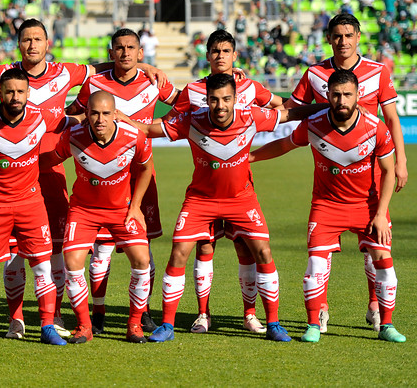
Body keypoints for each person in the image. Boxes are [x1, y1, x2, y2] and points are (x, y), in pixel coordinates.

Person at [0, 18, 166, 339]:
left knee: (54, 252)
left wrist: (143, 63)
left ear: (47, 43)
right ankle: (15, 318)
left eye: (38, 39)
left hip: (52, 176)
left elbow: (103, 66)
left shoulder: (65, 72)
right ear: (19, 44)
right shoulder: (0, 74)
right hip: (7, 181)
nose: (32, 45)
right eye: (26, 40)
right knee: (13, 255)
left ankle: (53, 315)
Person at [123, 73, 327, 343]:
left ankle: (274, 323)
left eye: (226, 99)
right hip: (200, 200)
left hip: (241, 199)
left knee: (263, 252)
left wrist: (326, 107)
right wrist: (124, 120)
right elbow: (150, 130)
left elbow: (290, 115)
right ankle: (168, 325)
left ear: (235, 99)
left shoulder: (252, 116)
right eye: (215, 100)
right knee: (179, 253)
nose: (220, 105)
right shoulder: (192, 120)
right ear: (207, 100)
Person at [251, 70, 405, 343]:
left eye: (347, 94)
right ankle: (313, 324)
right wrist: (249, 157)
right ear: (327, 96)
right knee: (315, 268)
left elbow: (389, 170)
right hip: (326, 206)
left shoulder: (375, 127)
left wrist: (381, 214)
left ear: (358, 96)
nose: (341, 100)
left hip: (367, 206)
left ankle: (387, 325)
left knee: (384, 264)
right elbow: (284, 145)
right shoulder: (314, 124)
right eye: (335, 94)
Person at [285, 13, 408, 334]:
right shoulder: (314, 74)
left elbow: (392, 119)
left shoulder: (378, 71)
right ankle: (320, 308)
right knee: (321, 254)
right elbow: (292, 110)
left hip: (371, 176)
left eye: (349, 35)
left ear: (357, 38)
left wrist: (402, 161)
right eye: (337, 36)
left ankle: (375, 305)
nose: (343, 42)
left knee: (375, 247)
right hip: (331, 177)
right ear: (329, 38)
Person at [167, 29, 283, 334]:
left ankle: (251, 315)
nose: (220, 56)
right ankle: (203, 314)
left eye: (226, 51)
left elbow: (281, 106)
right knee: (205, 249)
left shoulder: (250, 87)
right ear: (207, 56)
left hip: (240, 186)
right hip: (206, 184)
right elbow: (170, 122)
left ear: (234, 55)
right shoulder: (191, 91)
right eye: (215, 51)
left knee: (246, 249)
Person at [67, 28, 178, 335]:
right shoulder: (94, 83)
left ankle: (142, 315)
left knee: (143, 247)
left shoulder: (155, 81)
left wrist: (144, 126)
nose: (126, 53)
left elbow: (184, 108)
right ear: (111, 52)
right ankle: (98, 312)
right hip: (98, 177)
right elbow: (75, 114)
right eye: (120, 48)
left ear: (140, 53)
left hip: (141, 175)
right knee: (100, 249)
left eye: (132, 48)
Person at [0, 68, 80, 348]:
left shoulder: (42, 116)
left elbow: (72, 121)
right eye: (9, 91)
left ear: (28, 93)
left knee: (42, 266)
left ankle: (47, 325)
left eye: (20, 92)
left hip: (30, 203)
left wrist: (114, 118)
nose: (15, 97)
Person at [41, 91, 154, 343]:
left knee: (142, 260)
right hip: (83, 210)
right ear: (87, 115)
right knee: (72, 262)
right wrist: (23, 162)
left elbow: (146, 169)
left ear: (115, 114)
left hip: (121, 210)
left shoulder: (134, 136)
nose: (100, 119)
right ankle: (84, 326)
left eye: (105, 113)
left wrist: (136, 206)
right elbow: (51, 159)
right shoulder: (73, 136)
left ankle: (134, 324)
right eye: (94, 113)